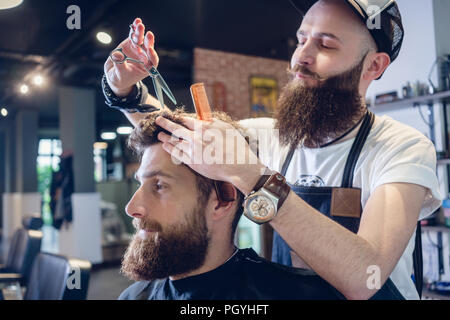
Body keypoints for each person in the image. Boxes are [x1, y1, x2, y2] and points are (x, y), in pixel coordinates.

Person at [103, 0, 442, 300]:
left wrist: (249, 173)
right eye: (301, 39)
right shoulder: (274, 138)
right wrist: (125, 90)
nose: (300, 58)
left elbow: (364, 277)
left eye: (325, 45)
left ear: (374, 66)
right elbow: (179, 135)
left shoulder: (402, 148)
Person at [118, 109, 348, 300]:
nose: (132, 208)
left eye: (159, 186)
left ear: (221, 200)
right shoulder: (133, 297)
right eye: (140, 183)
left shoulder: (299, 295)